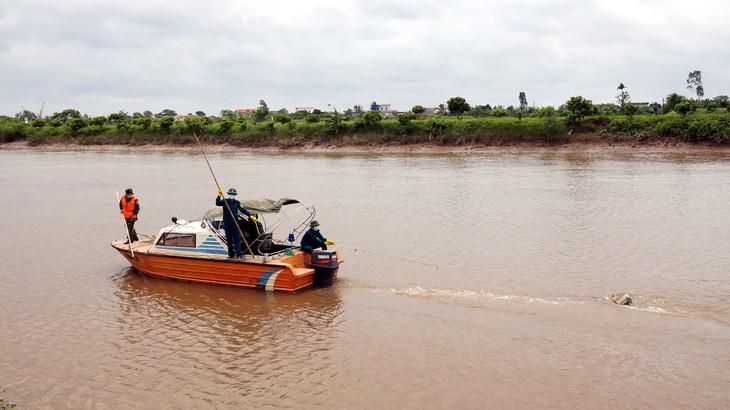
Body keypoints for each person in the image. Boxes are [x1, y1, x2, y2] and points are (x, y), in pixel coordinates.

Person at [216, 187, 256, 259]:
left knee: (237, 240)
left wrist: (250, 215)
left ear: (235, 195)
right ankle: (230, 254)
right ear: (228, 195)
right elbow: (217, 203)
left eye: (233, 194)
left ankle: (239, 254)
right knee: (229, 240)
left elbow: (243, 210)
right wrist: (219, 195)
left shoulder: (237, 203)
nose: (231, 196)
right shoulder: (224, 201)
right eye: (230, 194)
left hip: (235, 224)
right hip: (227, 224)